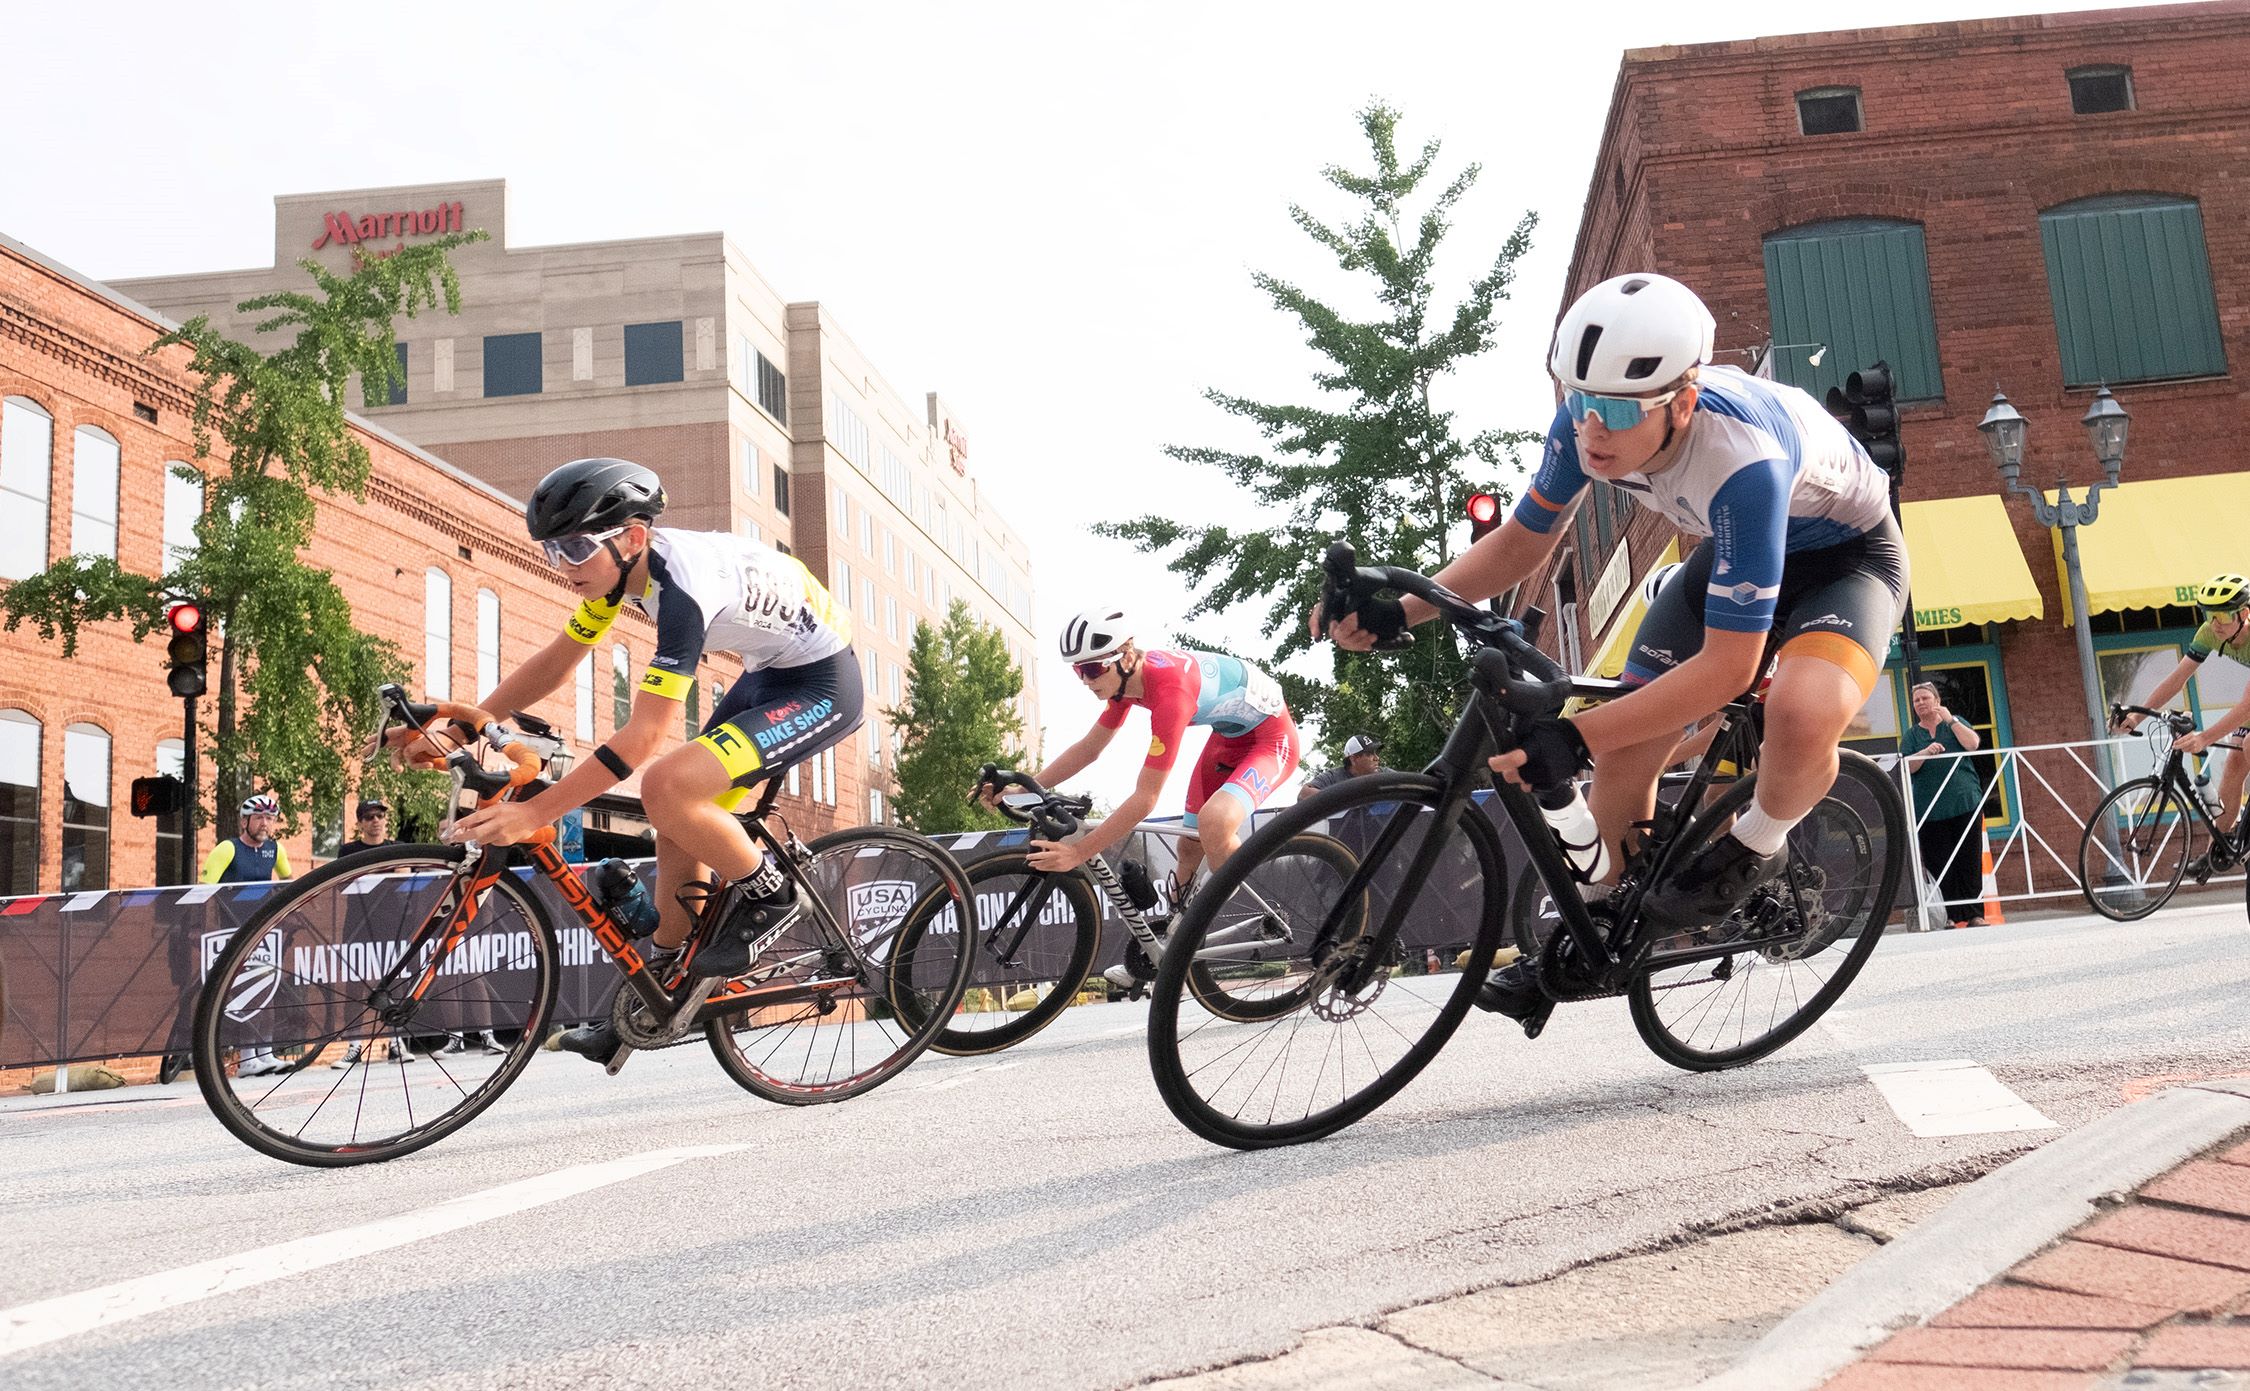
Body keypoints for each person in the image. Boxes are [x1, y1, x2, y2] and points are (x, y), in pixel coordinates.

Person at [1320, 272, 1907, 1026]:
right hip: (1731, 558)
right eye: (1578, 399)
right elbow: (1526, 540)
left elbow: (1729, 665)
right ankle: (1596, 938)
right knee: (1623, 769)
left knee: (1800, 709)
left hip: (1846, 562)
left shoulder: (1743, 459)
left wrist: (1573, 734)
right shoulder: (1583, 426)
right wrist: (1402, 609)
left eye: (1616, 411)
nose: (1592, 429)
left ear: (1683, 400)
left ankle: (1758, 845)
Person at [432, 458, 861, 1066]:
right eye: (554, 552)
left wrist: (535, 814)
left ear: (633, 537)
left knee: (667, 785)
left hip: (820, 685)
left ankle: (770, 893)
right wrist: (462, 723)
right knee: (677, 816)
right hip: (769, 674)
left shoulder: (680, 592)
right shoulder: (621, 577)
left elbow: (640, 741)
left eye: (576, 549)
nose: (563, 569)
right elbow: (556, 662)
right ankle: (655, 994)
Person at [996, 607, 1300, 991]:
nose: (1085, 680)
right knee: (1188, 849)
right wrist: (1025, 788)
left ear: (1125, 656)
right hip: (1228, 738)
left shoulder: (1169, 692)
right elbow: (1089, 749)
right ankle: (1168, 946)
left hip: (1271, 740)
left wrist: (1078, 853)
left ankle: (1203, 919)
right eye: (1078, 671)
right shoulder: (1125, 685)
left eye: (1091, 670)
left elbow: (1146, 798)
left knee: (1216, 822)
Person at [2117, 574, 2250, 878]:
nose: (2215, 623)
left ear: (2243, 613)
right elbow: (2178, 678)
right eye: (2208, 614)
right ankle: (2217, 852)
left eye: (2222, 615)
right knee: (2233, 766)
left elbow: (2247, 705)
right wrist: (2139, 714)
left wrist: (2204, 737)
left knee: (2249, 745)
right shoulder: (2211, 633)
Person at [197, 793, 295, 1075]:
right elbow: (204, 890)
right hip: (231, 930)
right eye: (259, 818)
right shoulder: (227, 849)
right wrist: (199, 929)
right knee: (242, 991)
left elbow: (288, 880)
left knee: (267, 987)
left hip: (264, 929)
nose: (265, 823)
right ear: (244, 821)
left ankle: (266, 1053)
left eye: (270, 818)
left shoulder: (275, 850)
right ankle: (247, 1058)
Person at [1901, 681, 1986, 928]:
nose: (1920, 703)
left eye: (1925, 698)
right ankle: (1947, 915)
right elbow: (1906, 766)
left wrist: (1951, 721)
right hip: (1930, 808)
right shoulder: (1912, 735)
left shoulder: (1954, 723)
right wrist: (1925, 752)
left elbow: (1973, 744)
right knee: (1940, 862)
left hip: (1964, 801)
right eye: (1916, 700)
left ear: (1937, 701)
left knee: (1969, 859)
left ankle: (1974, 914)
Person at [1299, 734, 1383, 798]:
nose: (1376, 758)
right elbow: (1304, 793)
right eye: (1369, 754)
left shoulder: (1384, 774)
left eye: (1376, 753)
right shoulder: (1333, 777)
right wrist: (1343, 798)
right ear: (1353, 759)